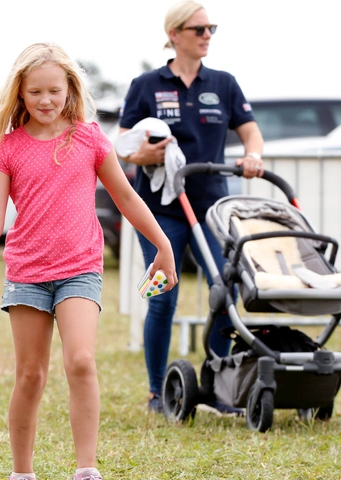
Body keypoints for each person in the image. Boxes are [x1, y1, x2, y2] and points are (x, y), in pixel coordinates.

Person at [0, 42, 177, 480]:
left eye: (55, 90)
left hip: (79, 269)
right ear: (20, 96)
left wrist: (163, 246)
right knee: (30, 374)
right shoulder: (8, 149)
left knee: (82, 362)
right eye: (36, 93)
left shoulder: (90, 139)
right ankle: (21, 476)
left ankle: (86, 476)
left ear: (70, 90)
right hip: (27, 271)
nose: (46, 100)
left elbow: (127, 198)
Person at [117, 0, 264, 414]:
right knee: (164, 295)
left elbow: (251, 132)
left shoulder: (224, 82)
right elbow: (125, 142)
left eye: (211, 28)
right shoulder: (147, 84)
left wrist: (253, 155)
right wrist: (141, 157)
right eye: (199, 29)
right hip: (160, 209)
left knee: (225, 289)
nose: (207, 36)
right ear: (175, 34)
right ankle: (156, 391)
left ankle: (219, 384)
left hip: (211, 207)